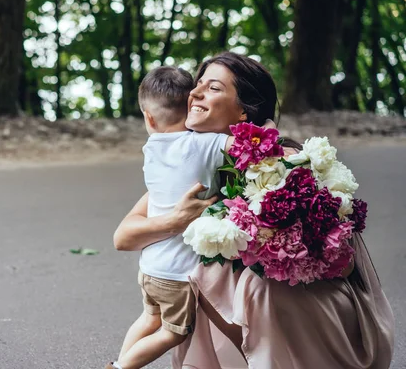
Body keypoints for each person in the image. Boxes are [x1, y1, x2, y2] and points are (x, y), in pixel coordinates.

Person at [113, 52, 395, 369]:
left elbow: (342, 266)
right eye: (198, 84)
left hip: (304, 313)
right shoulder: (188, 161)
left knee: (237, 272)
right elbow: (123, 237)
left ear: (244, 109)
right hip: (241, 318)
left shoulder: (281, 162)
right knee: (202, 262)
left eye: (214, 88)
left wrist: (268, 239)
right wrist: (176, 220)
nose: (195, 93)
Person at [107, 66, 229, 369]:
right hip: (177, 274)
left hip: (150, 265)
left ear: (149, 119)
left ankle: (120, 362)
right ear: (191, 105)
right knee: (172, 334)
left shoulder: (152, 149)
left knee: (149, 319)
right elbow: (246, 146)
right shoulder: (206, 144)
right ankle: (121, 368)